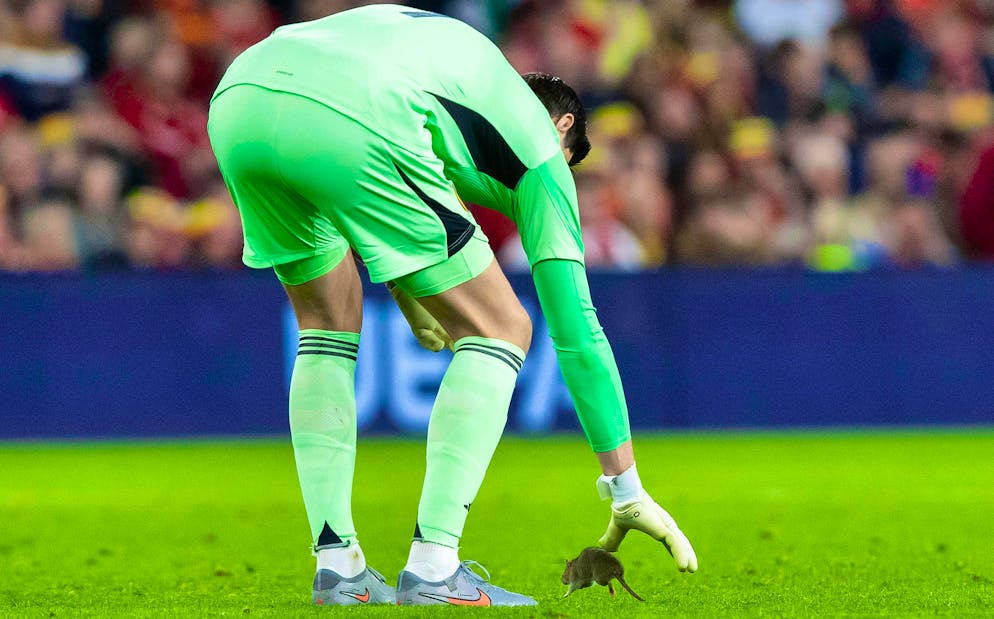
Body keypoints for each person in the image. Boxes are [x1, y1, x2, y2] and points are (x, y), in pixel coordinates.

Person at [207, 4, 697, 607]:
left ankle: (338, 565)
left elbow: (358, 179)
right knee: (503, 327)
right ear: (564, 128)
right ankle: (436, 568)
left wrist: (408, 293)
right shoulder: (543, 154)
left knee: (326, 323)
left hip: (241, 95)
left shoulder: (460, 77)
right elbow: (576, 334)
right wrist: (624, 485)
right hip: (357, 109)